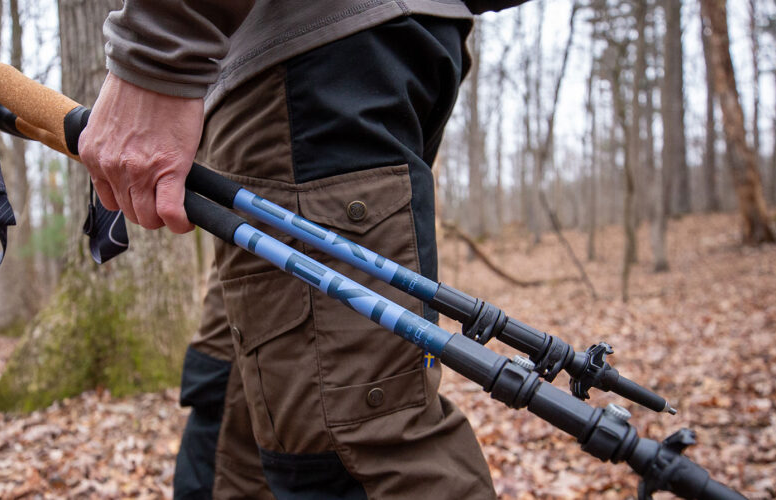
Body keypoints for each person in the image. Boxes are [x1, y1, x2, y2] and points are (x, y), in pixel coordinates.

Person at [78, 1, 527, 498]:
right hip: (320, 64)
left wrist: (158, 50)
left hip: (303, 64)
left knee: (346, 447)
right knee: (234, 391)